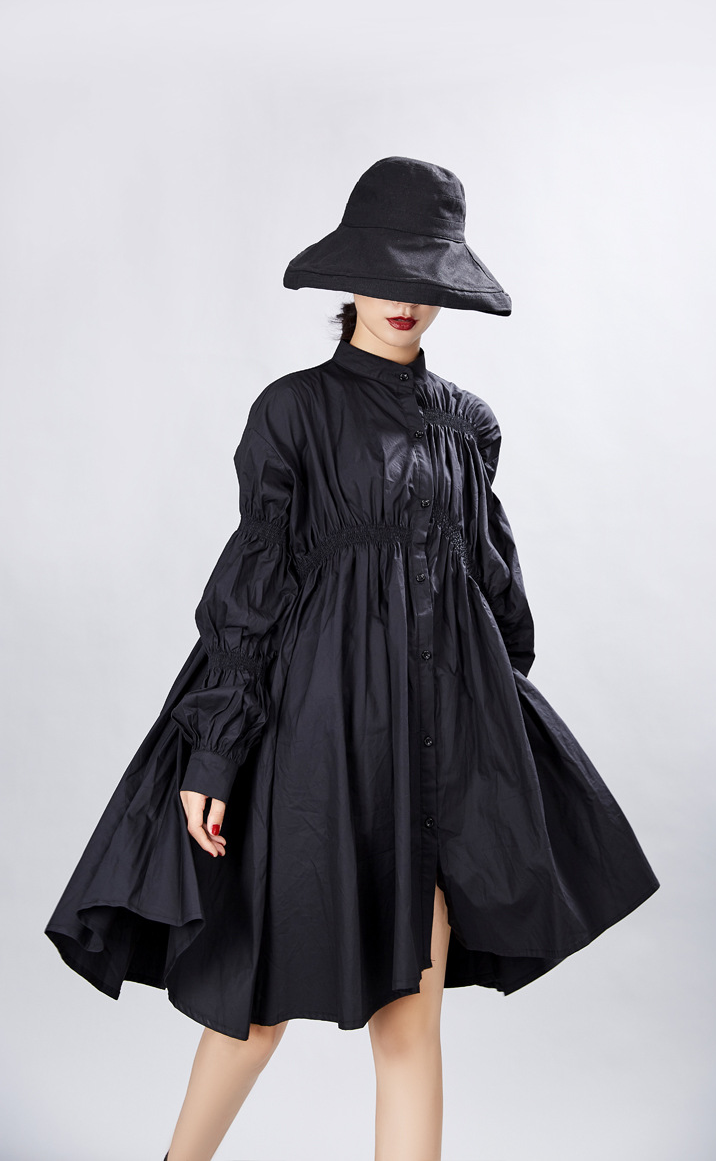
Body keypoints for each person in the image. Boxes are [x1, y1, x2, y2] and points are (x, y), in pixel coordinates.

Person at [45, 156, 660, 1161]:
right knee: (253, 1001)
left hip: (436, 751)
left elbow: (493, 586)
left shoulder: (469, 425)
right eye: (385, 274)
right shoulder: (293, 411)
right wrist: (215, 754)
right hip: (313, 738)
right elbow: (254, 585)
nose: (404, 300)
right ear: (349, 279)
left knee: (410, 1021)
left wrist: (494, 728)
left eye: (425, 279)